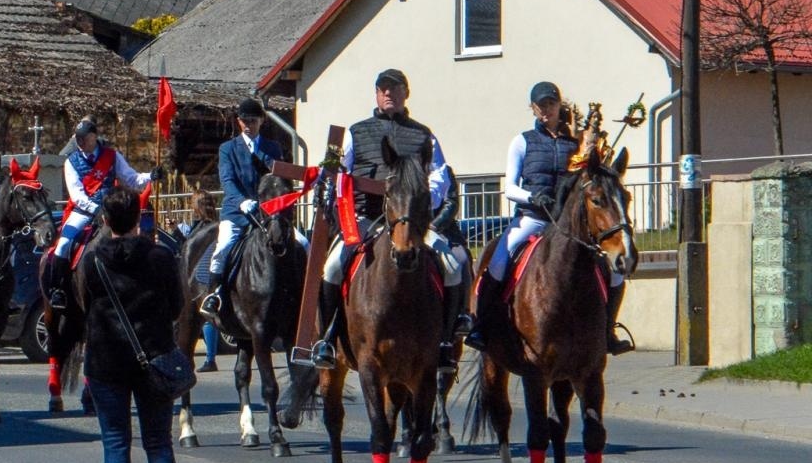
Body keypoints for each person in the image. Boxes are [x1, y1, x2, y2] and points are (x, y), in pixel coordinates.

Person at [311, 69, 468, 371]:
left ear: (405, 93)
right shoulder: (356, 132)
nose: (388, 94)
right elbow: (335, 170)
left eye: (394, 89)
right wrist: (331, 187)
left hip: (409, 220)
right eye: (383, 89)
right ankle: (328, 338)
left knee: (452, 264)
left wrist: (421, 199)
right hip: (365, 218)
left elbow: (439, 174)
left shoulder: (424, 134)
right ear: (376, 94)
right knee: (332, 266)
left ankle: (447, 339)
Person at [466, 81, 634, 356]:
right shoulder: (522, 141)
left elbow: (589, 182)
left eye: (550, 104)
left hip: (569, 224)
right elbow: (509, 187)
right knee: (498, 262)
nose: (546, 110)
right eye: (540, 105)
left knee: (614, 271)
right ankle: (483, 327)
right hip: (533, 218)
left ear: (559, 106)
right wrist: (533, 198)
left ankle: (607, 331)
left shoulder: (575, 144)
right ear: (533, 109)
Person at [80, 187, 185, 463]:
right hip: (153, 357)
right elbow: (177, 306)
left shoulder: (92, 260)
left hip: (106, 360)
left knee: (115, 441)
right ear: (139, 217)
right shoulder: (161, 257)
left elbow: (86, 304)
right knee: (158, 441)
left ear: (106, 221)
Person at [47, 117, 156, 309]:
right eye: (78, 139)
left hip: (112, 210)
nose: (80, 143)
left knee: (140, 239)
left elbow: (131, 179)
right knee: (63, 245)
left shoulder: (111, 156)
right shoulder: (71, 162)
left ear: (94, 136)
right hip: (83, 212)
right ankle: (58, 290)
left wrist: (151, 176)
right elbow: (76, 194)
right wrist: (95, 209)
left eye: (84, 138)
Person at [199, 98, 285, 320]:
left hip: (267, 213)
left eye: (253, 121)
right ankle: (214, 294)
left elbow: (279, 179)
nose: (249, 125)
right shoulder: (227, 149)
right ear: (239, 122)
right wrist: (241, 201)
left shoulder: (273, 148)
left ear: (262, 121)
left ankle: (297, 293)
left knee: (301, 244)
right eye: (245, 121)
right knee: (223, 247)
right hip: (236, 212)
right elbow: (227, 180)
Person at [178, 190, 223, 372]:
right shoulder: (205, 224)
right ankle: (210, 357)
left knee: (202, 316)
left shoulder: (204, 226)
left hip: (203, 274)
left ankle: (210, 357)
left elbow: (188, 245)